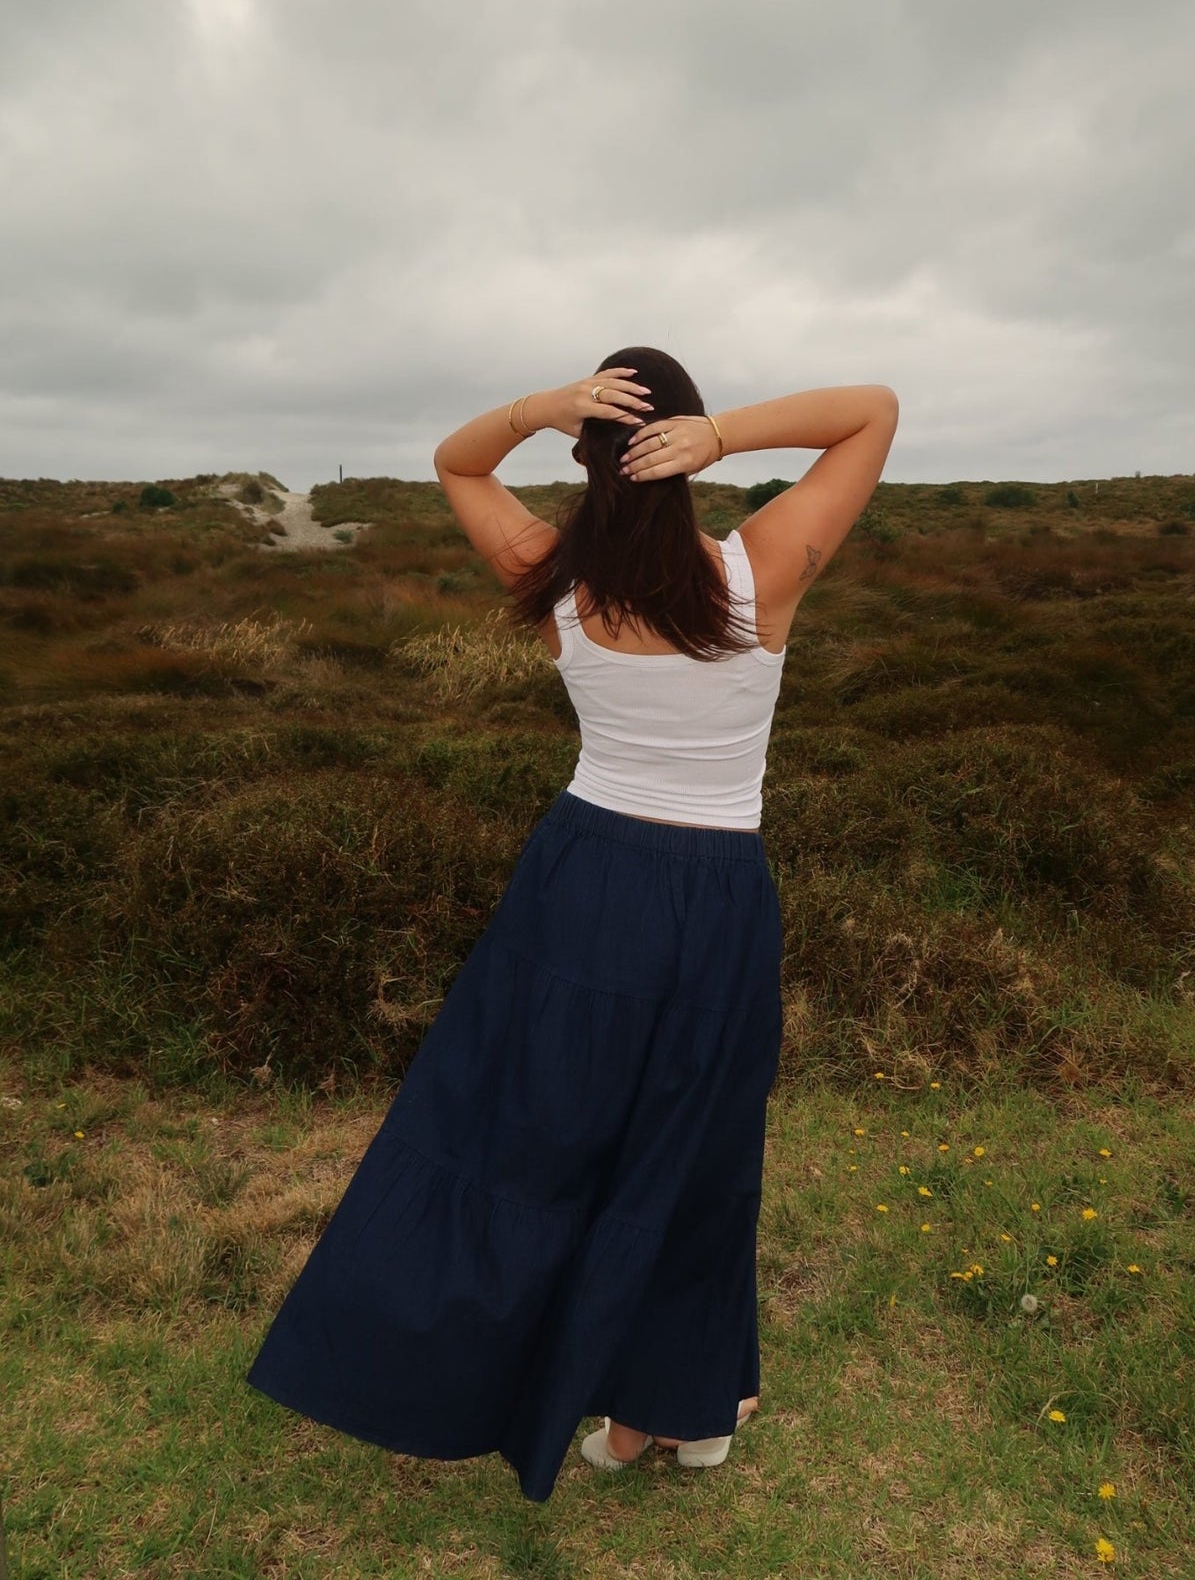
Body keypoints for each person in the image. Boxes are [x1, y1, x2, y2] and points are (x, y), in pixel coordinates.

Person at [244, 346, 899, 1502]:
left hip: (586, 880)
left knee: (528, 1141)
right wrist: (726, 435)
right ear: (684, 455)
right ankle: (683, 1411)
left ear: (587, 456)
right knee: (696, 1155)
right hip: (717, 897)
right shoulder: (763, 572)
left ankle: (505, 1379)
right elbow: (871, 412)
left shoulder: (553, 576)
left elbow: (457, 462)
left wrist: (538, 409)